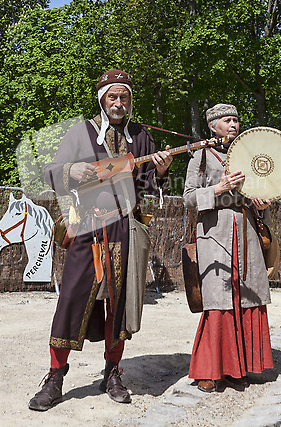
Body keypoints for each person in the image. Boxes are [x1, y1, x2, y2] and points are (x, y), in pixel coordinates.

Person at [28, 69, 172, 411]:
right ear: (102, 99)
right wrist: (70, 172)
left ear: (130, 101)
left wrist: (162, 171)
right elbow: (51, 171)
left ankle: (113, 373)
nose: (118, 103)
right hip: (87, 229)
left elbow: (148, 186)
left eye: (124, 97)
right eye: (112, 97)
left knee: (119, 306)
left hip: (125, 228)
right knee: (72, 302)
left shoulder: (142, 137)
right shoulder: (82, 133)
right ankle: (55, 377)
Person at [183, 103, 273, 393]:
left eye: (235, 119)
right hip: (215, 231)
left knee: (247, 295)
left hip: (246, 230)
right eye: (227, 120)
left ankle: (240, 367)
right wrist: (218, 189)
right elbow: (188, 199)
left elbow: (262, 189)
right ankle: (211, 370)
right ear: (213, 126)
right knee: (218, 298)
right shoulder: (200, 156)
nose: (233, 124)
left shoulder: (248, 156)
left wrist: (263, 204)